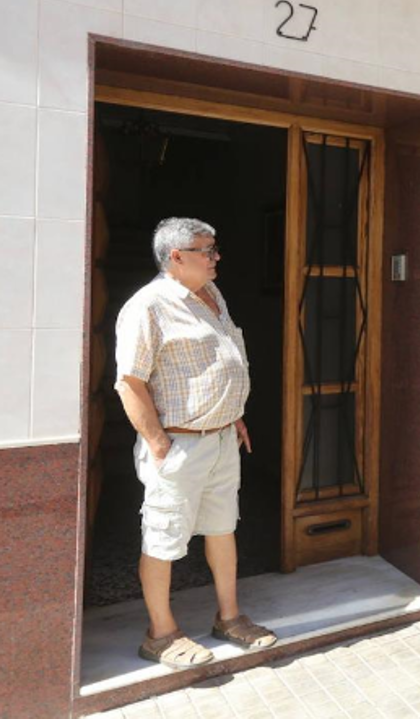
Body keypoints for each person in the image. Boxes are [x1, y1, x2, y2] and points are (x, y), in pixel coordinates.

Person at [114, 217, 277, 669]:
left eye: (215, 248)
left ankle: (229, 617)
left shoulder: (212, 295)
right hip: (180, 445)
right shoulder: (148, 306)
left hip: (222, 438)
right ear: (176, 257)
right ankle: (160, 634)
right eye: (207, 250)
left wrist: (233, 414)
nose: (216, 256)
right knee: (164, 537)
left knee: (223, 527)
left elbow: (216, 362)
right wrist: (159, 443)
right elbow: (130, 382)